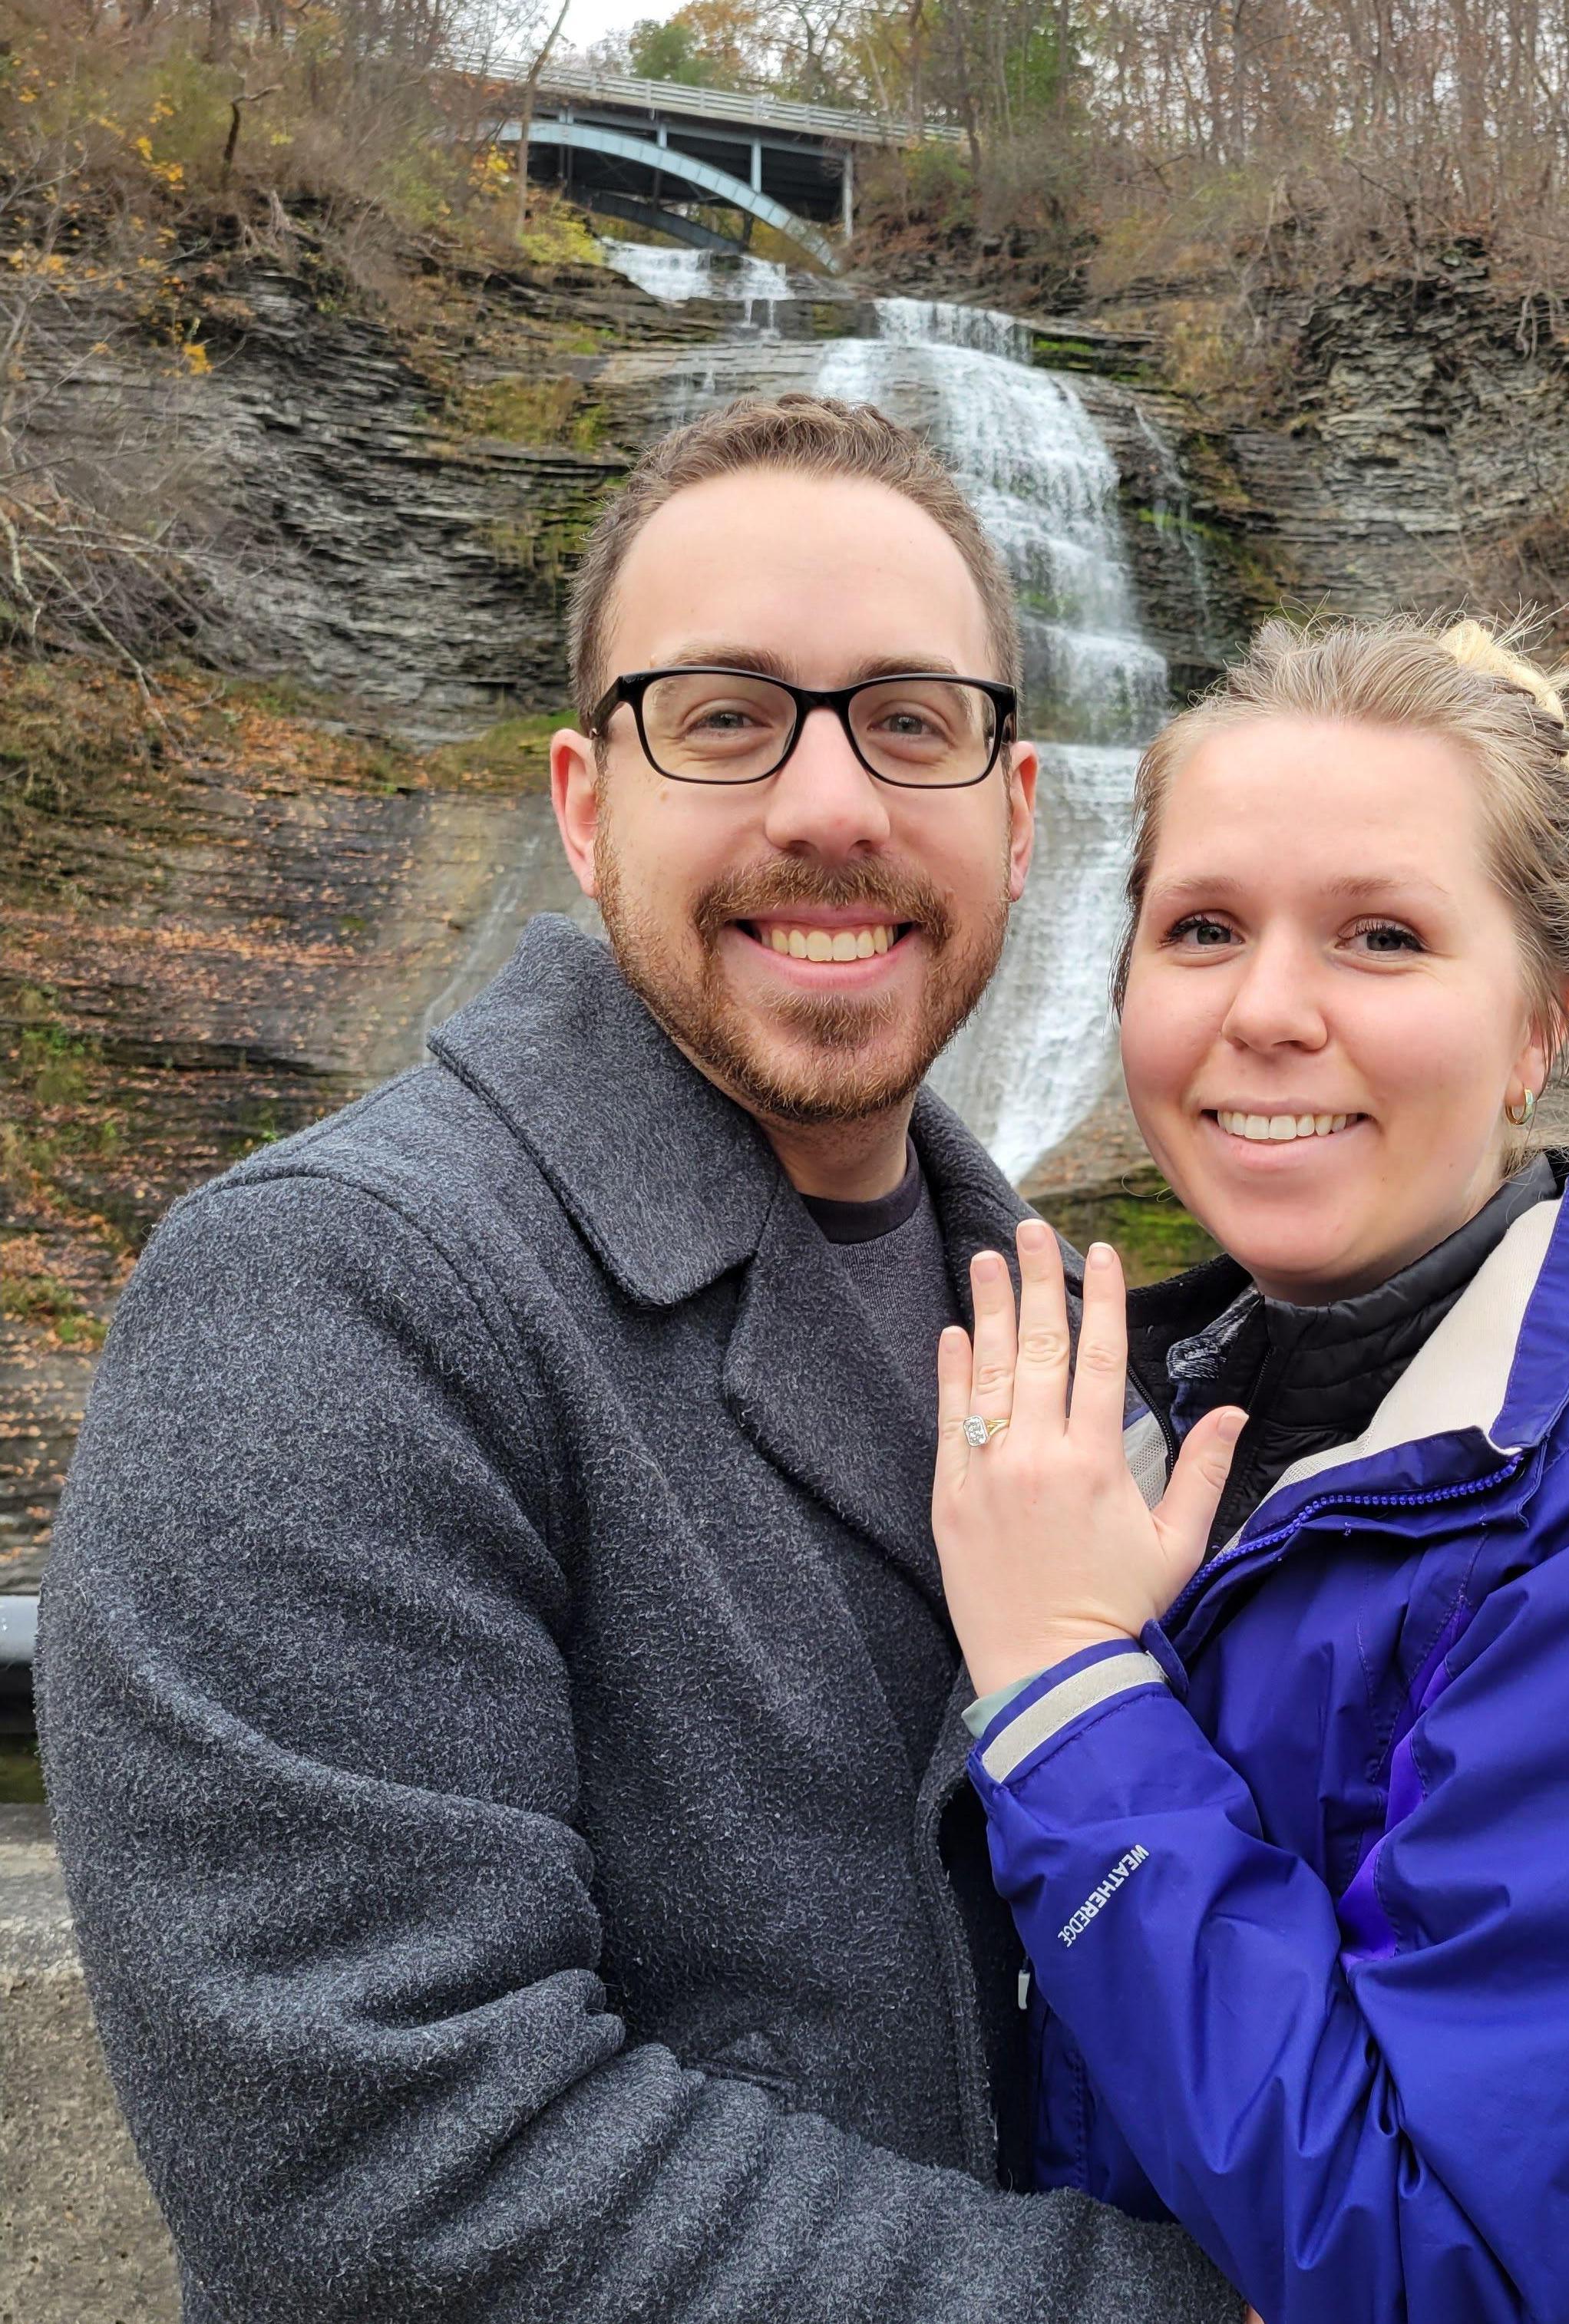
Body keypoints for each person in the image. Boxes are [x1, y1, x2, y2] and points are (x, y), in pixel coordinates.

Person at [34, 397, 1240, 2322]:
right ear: (586, 804)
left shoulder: (1078, 1337)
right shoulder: (332, 1295)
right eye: (725, 715)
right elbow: (395, 2175)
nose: (830, 805)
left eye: (911, 719)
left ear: (1020, 819)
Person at [930, 616, 1569, 2324]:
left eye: (1379, 936)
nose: (1262, 1009)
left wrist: (1062, 1684)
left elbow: (1427, 2251)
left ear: (1538, 1026)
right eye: (1201, 929)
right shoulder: (1149, 1420)